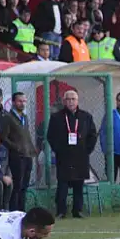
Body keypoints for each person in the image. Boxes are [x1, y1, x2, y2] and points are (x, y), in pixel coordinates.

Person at [47, 90, 98, 219]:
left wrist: (87, 150)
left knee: (78, 184)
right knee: (62, 184)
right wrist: (57, 149)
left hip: (80, 156)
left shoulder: (86, 116)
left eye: (73, 99)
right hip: (63, 156)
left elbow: (92, 135)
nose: (70, 102)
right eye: (68, 99)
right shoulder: (56, 117)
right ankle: (61, 211)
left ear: (77, 101)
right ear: (64, 101)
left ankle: (78, 210)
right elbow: (50, 136)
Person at [1, 92, 36, 211]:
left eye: (24, 101)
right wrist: (15, 147)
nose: (22, 103)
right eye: (20, 101)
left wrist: (31, 148)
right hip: (16, 156)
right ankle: (14, 210)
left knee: (25, 186)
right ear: (14, 102)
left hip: (27, 155)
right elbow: (3, 137)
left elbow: (26, 135)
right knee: (18, 184)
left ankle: (22, 210)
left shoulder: (24, 117)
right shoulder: (8, 117)